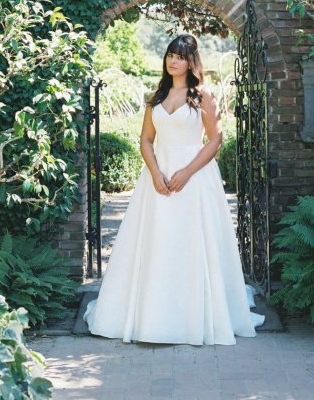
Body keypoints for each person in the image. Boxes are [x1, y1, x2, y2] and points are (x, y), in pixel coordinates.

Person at [83, 33, 265, 345]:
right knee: (157, 241)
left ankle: (195, 314)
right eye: (170, 54)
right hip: (157, 180)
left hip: (194, 179)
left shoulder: (203, 96)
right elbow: (145, 139)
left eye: (179, 56)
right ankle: (151, 314)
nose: (172, 60)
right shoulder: (157, 98)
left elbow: (215, 140)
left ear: (191, 61)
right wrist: (155, 173)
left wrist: (187, 172)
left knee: (190, 242)